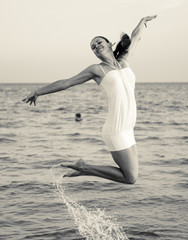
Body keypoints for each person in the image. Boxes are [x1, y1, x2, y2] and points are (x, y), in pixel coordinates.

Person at [23, 16, 157, 184]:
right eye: (93, 47)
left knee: (132, 175)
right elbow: (66, 83)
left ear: (110, 44)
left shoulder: (124, 61)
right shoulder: (97, 70)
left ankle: (84, 170)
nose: (96, 47)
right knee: (131, 178)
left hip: (129, 128)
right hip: (116, 129)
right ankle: (84, 168)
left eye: (99, 42)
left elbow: (135, 37)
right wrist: (38, 92)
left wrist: (143, 20)